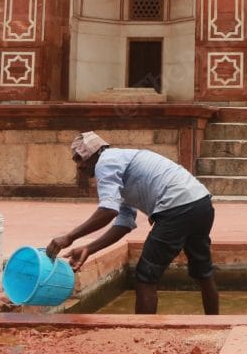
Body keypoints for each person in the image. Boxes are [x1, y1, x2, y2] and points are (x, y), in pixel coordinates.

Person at [45, 132, 219, 315]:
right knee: (203, 271)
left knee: (145, 276)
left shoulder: (105, 162)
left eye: (80, 158)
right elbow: (124, 222)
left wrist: (70, 237)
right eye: (76, 160)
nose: (79, 166)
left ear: (95, 154)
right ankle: (216, 324)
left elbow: (108, 211)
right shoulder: (120, 165)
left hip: (175, 208)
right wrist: (89, 248)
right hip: (201, 204)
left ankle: (141, 333)